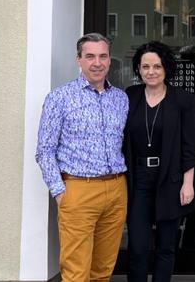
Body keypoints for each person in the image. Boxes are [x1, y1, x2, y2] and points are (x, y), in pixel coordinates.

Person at [35, 33, 129, 282]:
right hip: (78, 190)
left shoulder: (120, 99)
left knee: (103, 269)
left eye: (102, 56)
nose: (97, 62)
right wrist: (60, 192)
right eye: (90, 56)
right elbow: (44, 150)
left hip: (116, 189)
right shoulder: (59, 98)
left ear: (110, 60)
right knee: (76, 272)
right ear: (78, 60)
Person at [124, 41, 195, 282]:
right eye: (145, 66)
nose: (151, 71)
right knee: (138, 246)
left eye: (157, 66)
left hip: (171, 179)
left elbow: (189, 145)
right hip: (138, 179)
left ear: (166, 68)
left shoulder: (183, 100)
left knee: (166, 247)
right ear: (138, 69)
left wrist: (188, 183)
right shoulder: (130, 96)